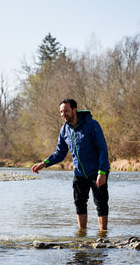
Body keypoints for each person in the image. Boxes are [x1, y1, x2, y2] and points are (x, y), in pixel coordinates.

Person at [31, 98, 110, 231]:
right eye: (61, 112)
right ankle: (82, 234)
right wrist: (44, 163)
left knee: (100, 203)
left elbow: (103, 149)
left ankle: (102, 235)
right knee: (79, 203)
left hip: (97, 171)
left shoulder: (92, 125)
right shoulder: (64, 130)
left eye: (66, 111)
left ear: (74, 110)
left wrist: (102, 172)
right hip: (79, 173)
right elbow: (59, 153)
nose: (63, 114)